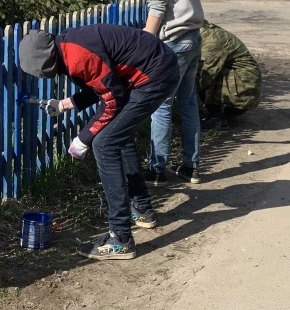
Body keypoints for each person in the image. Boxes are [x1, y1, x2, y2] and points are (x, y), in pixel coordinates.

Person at [18, 24, 179, 261]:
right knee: (117, 137)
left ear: (45, 64)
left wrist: (84, 139)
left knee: (105, 143)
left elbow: (112, 100)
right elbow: (105, 83)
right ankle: (142, 210)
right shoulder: (67, 46)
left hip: (154, 76)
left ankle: (121, 239)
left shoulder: (78, 57)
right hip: (151, 69)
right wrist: (65, 104)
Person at [136, 0, 204, 186]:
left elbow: (157, 7)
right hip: (194, 37)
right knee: (187, 103)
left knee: (161, 106)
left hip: (173, 41)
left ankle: (157, 170)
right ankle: (191, 166)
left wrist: (145, 43)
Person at [198, 19, 262, 118]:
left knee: (204, 73)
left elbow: (204, 75)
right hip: (239, 87)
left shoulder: (211, 40)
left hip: (243, 92)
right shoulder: (203, 30)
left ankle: (216, 118)